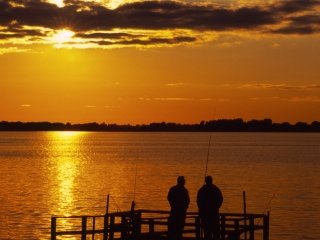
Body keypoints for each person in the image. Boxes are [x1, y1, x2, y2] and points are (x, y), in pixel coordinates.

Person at [197, 176, 223, 240]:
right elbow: (221, 199)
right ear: (211, 181)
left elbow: (198, 201)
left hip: (205, 214)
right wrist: (217, 207)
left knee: (207, 232)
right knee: (216, 231)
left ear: (206, 181)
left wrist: (201, 209)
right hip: (214, 214)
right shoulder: (215, 189)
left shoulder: (202, 190)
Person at [167, 176, 190, 240]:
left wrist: (172, 205)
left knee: (174, 229)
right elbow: (188, 201)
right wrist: (184, 206)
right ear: (182, 182)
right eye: (184, 181)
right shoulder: (184, 190)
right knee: (179, 228)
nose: (184, 182)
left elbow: (169, 198)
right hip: (181, 213)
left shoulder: (173, 189)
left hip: (174, 212)